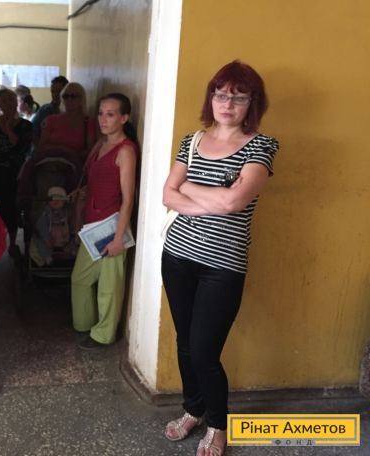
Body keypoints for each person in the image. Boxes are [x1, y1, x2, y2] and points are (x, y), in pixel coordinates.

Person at [161, 60, 279, 456]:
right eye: (221, 94)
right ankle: (193, 409)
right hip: (177, 255)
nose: (227, 104)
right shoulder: (191, 141)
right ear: (211, 98)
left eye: (239, 97)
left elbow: (234, 202)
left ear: (252, 103)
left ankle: (217, 424)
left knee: (204, 351)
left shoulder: (261, 146)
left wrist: (189, 190)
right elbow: (166, 194)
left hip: (222, 266)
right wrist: (208, 197)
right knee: (184, 343)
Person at [71, 93, 138, 351]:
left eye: (110, 114)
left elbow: (128, 200)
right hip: (93, 226)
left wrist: (119, 238)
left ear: (124, 118)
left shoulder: (126, 151)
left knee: (109, 287)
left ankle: (103, 335)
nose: (103, 119)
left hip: (112, 225)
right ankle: (84, 323)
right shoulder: (100, 145)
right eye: (101, 113)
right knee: (80, 279)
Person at [0, 88, 33, 257]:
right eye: (4, 101)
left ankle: (12, 244)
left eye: (12, 100)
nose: (9, 104)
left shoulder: (26, 126)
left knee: (12, 210)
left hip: (14, 176)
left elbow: (22, 148)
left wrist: (8, 129)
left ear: (16, 102)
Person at [38, 82, 96, 161]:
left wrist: (70, 155)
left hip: (74, 164)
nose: (69, 99)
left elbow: (91, 150)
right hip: (50, 162)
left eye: (73, 96)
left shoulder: (88, 122)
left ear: (81, 99)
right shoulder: (51, 120)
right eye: (65, 96)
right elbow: (41, 147)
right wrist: (60, 150)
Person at [29, 186, 74, 266]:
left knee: (74, 239)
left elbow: (71, 224)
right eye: (52, 199)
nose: (55, 201)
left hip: (63, 236)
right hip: (49, 235)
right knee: (38, 240)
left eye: (59, 199)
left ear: (64, 201)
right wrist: (46, 239)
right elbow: (41, 225)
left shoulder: (67, 212)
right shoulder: (46, 212)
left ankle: (70, 251)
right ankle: (46, 256)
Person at [32, 75, 68, 146]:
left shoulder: (72, 111)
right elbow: (33, 132)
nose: (55, 95)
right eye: (53, 91)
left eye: (59, 91)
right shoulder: (44, 110)